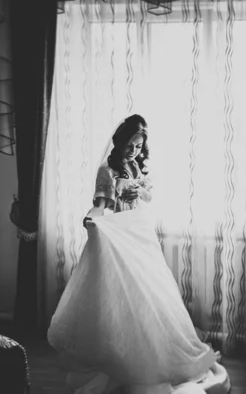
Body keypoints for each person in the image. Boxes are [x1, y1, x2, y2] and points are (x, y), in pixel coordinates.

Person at [47, 115, 229, 394]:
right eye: (130, 144)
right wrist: (91, 220)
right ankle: (123, 356)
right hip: (120, 238)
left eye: (138, 146)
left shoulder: (135, 165)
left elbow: (147, 199)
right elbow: (101, 206)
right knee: (122, 298)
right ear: (120, 141)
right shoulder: (107, 170)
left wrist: (139, 191)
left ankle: (150, 350)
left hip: (140, 236)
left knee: (149, 296)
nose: (133, 150)